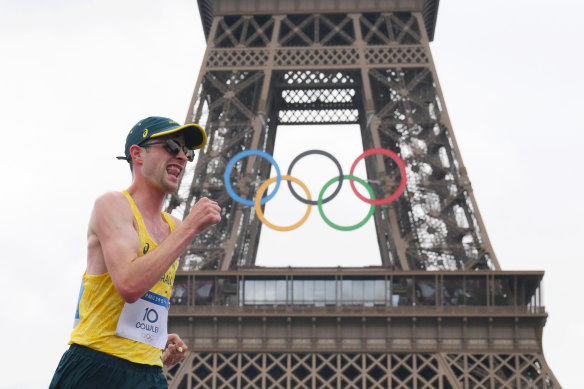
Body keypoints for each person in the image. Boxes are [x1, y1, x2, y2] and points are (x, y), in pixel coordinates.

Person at [49, 116, 222, 388]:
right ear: (137, 153)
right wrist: (189, 227)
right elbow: (130, 285)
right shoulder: (114, 205)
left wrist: (154, 339)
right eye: (171, 146)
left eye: (187, 152)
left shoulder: (173, 226)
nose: (182, 157)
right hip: (97, 364)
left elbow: (145, 299)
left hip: (149, 373)